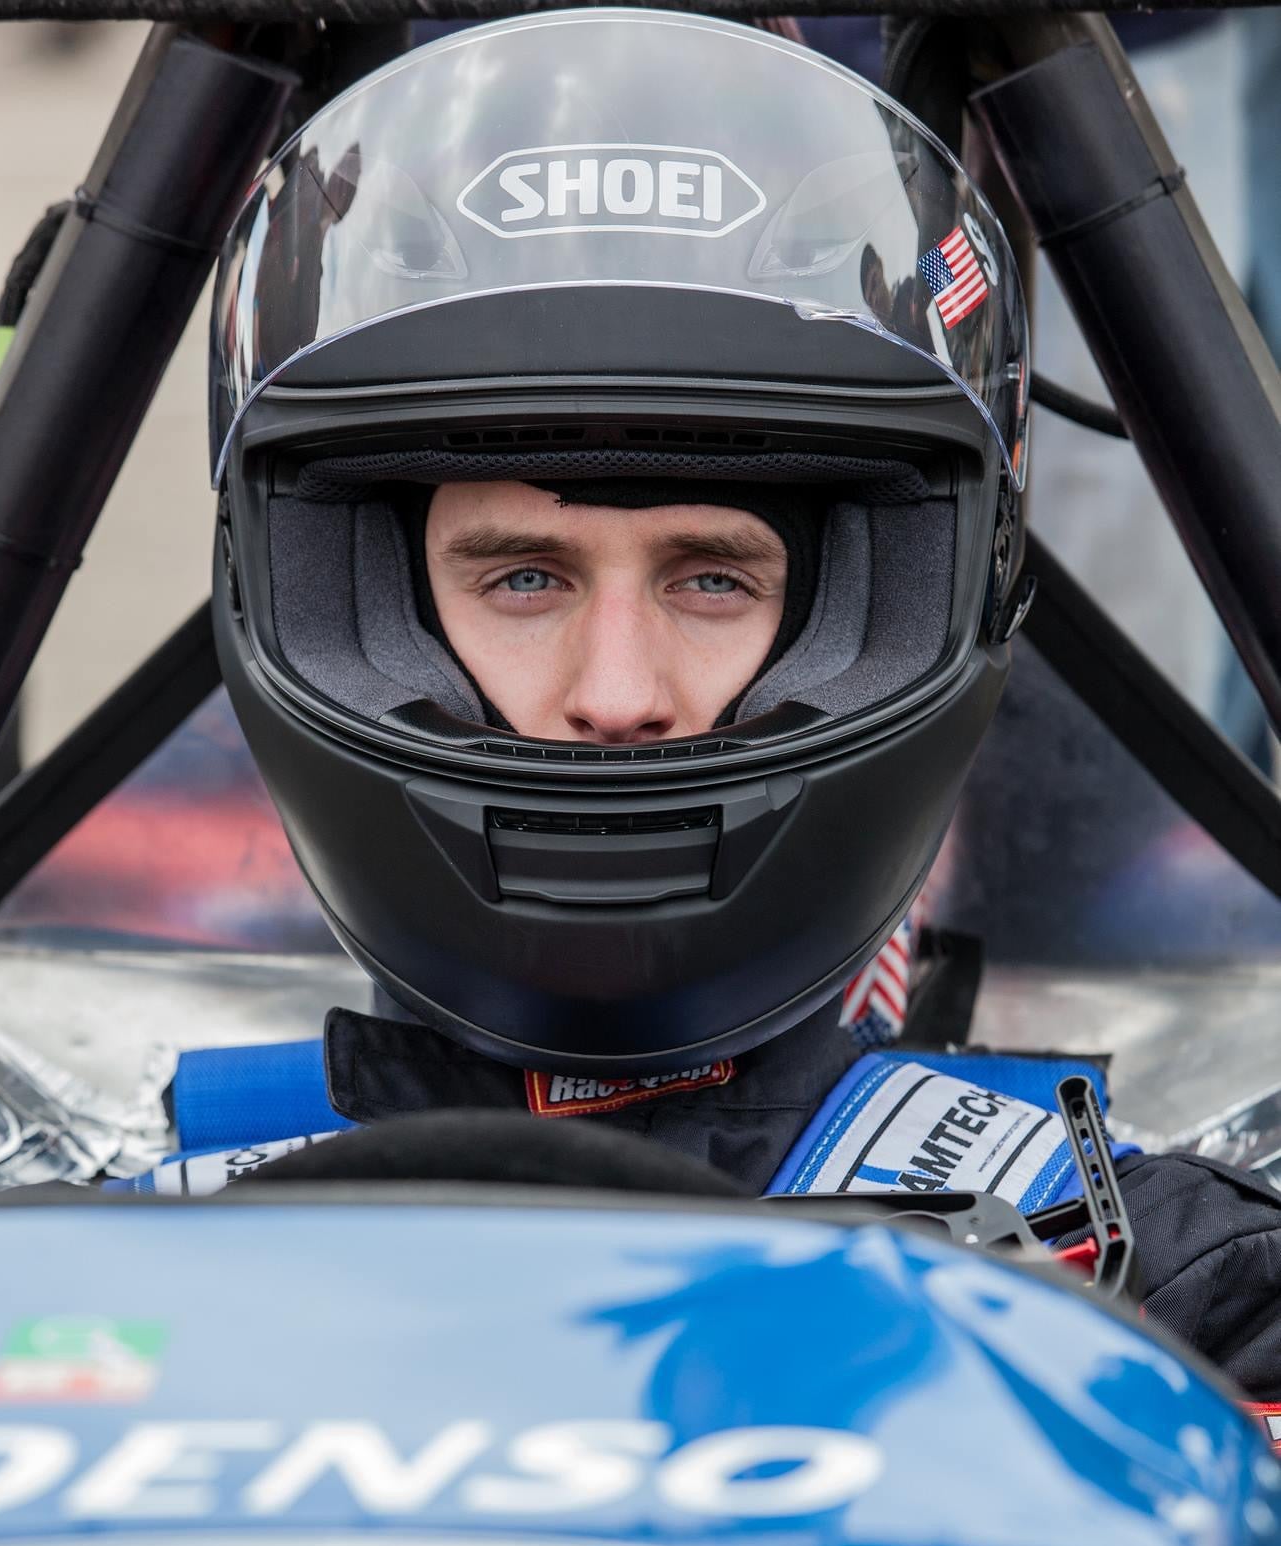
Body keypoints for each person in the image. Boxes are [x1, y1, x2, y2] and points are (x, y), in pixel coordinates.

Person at [171, 10, 1281, 1402]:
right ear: (349, 604)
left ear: (868, 612)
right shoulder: (74, 1243)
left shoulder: (1176, 1293)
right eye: (522, 578)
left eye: (709, 580)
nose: (618, 697)